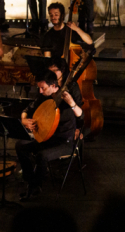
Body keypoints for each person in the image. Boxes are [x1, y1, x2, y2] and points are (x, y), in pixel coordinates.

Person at [17, 70, 83, 200]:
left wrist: (72, 104)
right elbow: (27, 110)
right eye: (39, 88)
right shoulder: (43, 97)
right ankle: (31, 181)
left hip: (65, 142)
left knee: (42, 154)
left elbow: (81, 117)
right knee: (20, 146)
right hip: (47, 138)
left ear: (53, 85)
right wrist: (25, 120)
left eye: (43, 88)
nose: (40, 91)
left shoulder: (66, 98)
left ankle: (36, 186)